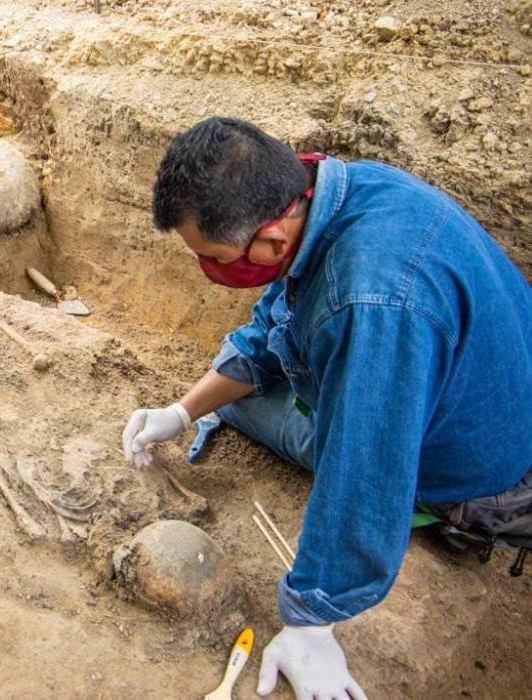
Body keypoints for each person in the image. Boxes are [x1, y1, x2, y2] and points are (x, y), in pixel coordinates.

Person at [123, 117, 531, 699]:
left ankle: (444, 517)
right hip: (488, 389)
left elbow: (365, 469)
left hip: (474, 474)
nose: (207, 271)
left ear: (269, 241)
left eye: (212, 256)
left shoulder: (370, 301)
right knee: (236, 372)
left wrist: (311, 620)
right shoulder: (333, 195)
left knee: (250, 406)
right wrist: (181, 412)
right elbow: (277, 321)